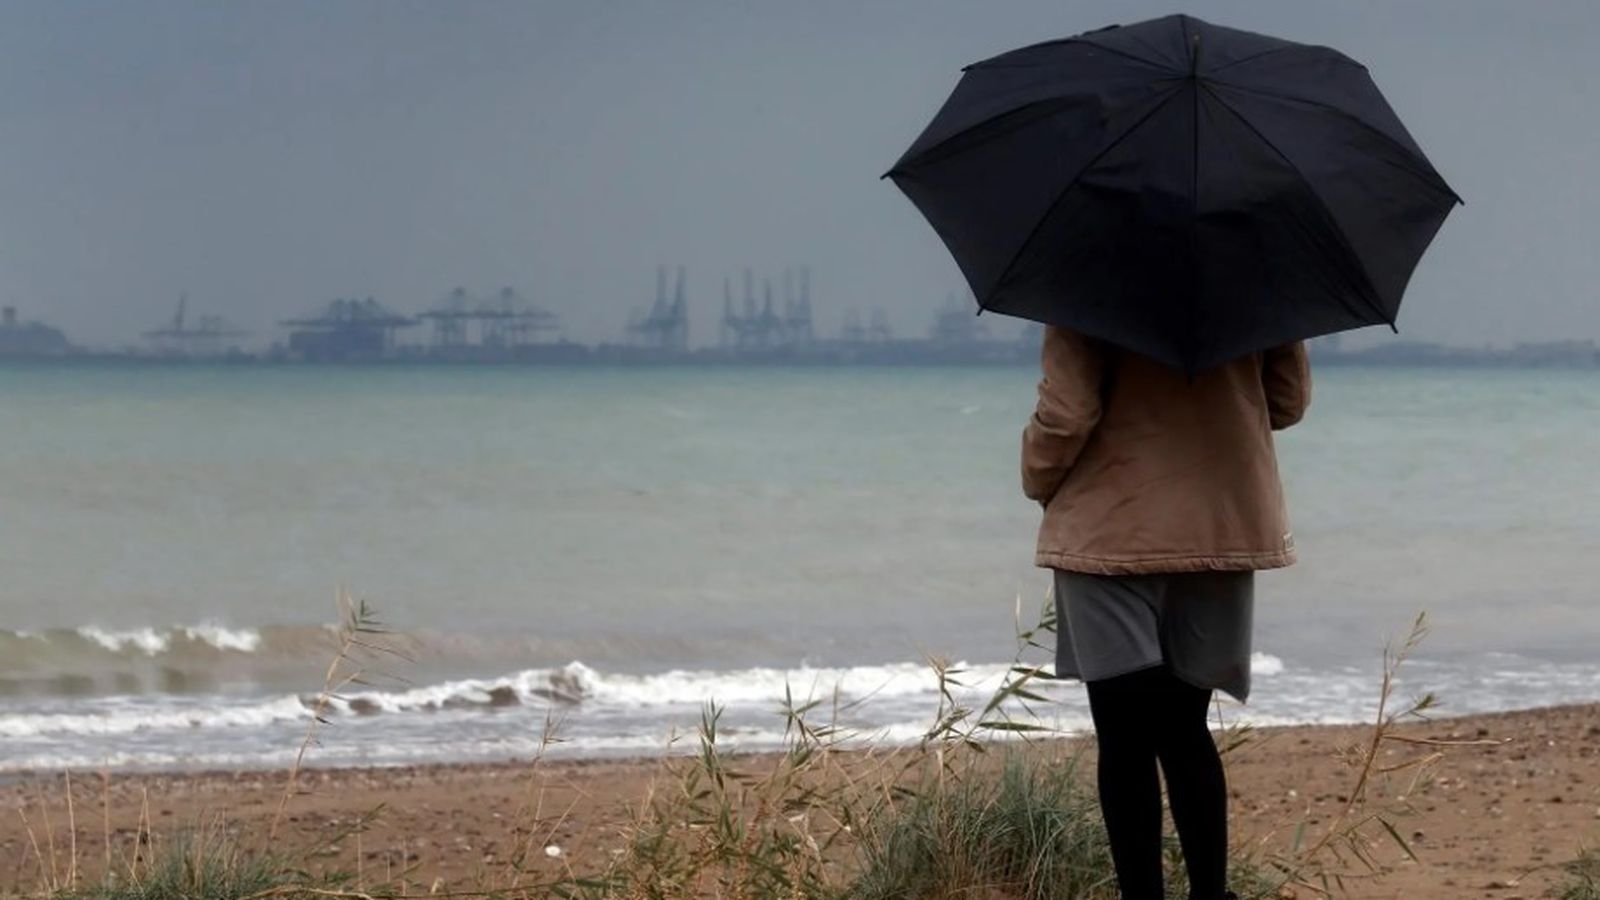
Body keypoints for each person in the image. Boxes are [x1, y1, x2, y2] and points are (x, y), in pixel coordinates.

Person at [1021, 326, 1311, 900]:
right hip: (1217, 525)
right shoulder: (1254, 269)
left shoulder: (1087, 273)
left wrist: (1035, 475)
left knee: (1125, 739)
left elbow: (1068, 413)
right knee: (1184, 730)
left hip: (1109, 530)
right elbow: (1286, 401)